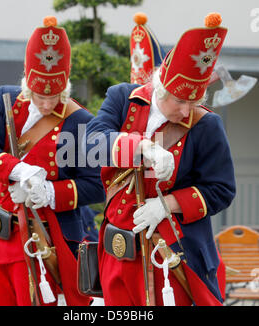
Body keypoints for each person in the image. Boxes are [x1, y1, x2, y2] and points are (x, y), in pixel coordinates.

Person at [85, 13, 236, 306]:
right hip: (119, 248)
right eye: (180, 101)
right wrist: (141, 147)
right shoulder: (122, 99)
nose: (186, 111)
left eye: (194, 102)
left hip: (173, 255)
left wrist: (168, 204)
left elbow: (221, 190)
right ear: (160, 89)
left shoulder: (206, 125)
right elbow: (91, 144)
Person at [0, 16, 105, 306]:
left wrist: (50, 192)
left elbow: (96, 185)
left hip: (45, 241)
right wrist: (20, 170)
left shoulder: (80, 120)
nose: (46, 103)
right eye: (40, 95)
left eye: (54, 95)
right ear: (27, 83)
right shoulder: (5, 98)